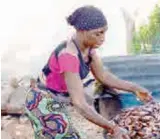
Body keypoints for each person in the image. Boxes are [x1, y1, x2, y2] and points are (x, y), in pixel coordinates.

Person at [25, 5, 152, 139]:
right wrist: (113, 128)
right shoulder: (69, 56)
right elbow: (79, 103)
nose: (103, 38)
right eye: (98, 33)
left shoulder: (89, 49)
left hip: (59, 100)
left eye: (104, 32)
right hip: (42, 101)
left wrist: (134, 88)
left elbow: (104, 76)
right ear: (82, 31)